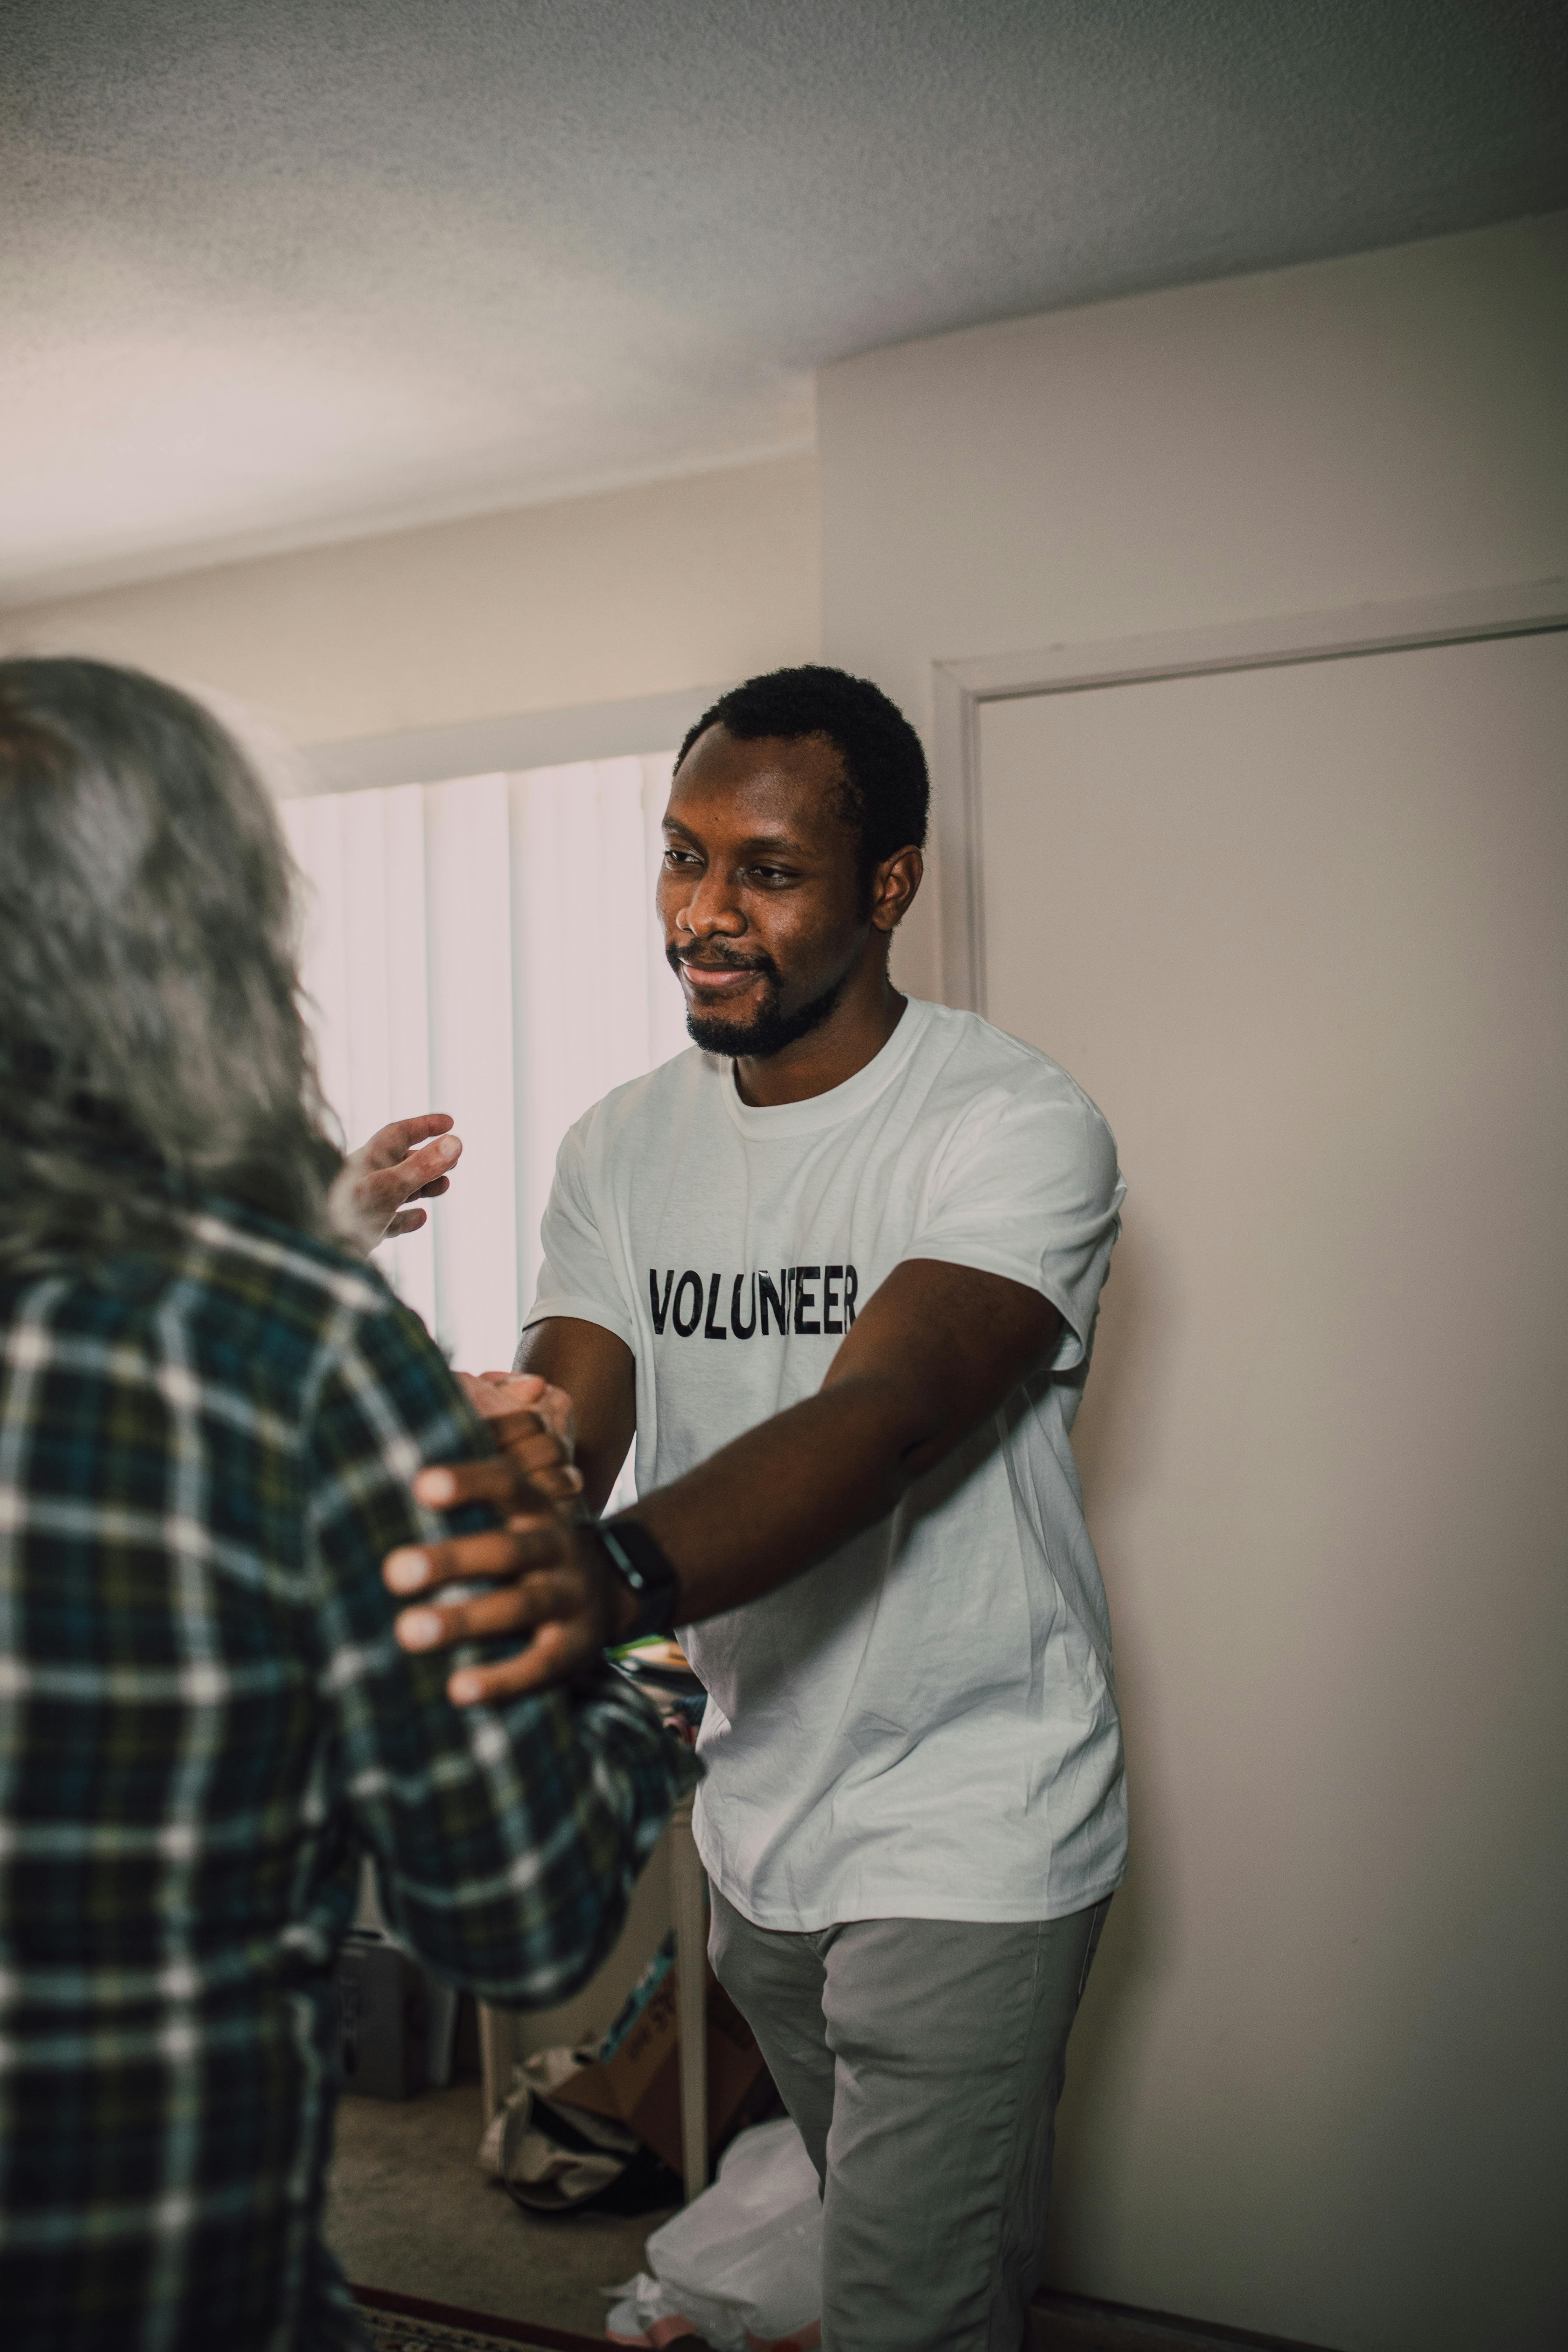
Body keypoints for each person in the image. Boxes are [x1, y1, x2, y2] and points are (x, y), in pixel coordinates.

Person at [387, 665, 1128, 2351]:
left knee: (903, 2311)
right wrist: (508, 1455)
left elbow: (887, 1415)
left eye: (767, 873)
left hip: (975, 1812)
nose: (704, 917)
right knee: (874, 2241)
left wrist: (609, 1575)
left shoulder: (1010, 1125)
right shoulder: (623, 1145)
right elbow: (572, 1407)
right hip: (762, 1813)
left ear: (886, 888)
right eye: (679, 858)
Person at [0, 657, 694, 2351]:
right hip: (152, 2275)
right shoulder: (299, 1357)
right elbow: (509, 1903)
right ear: (210, 947)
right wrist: (616, 1659)